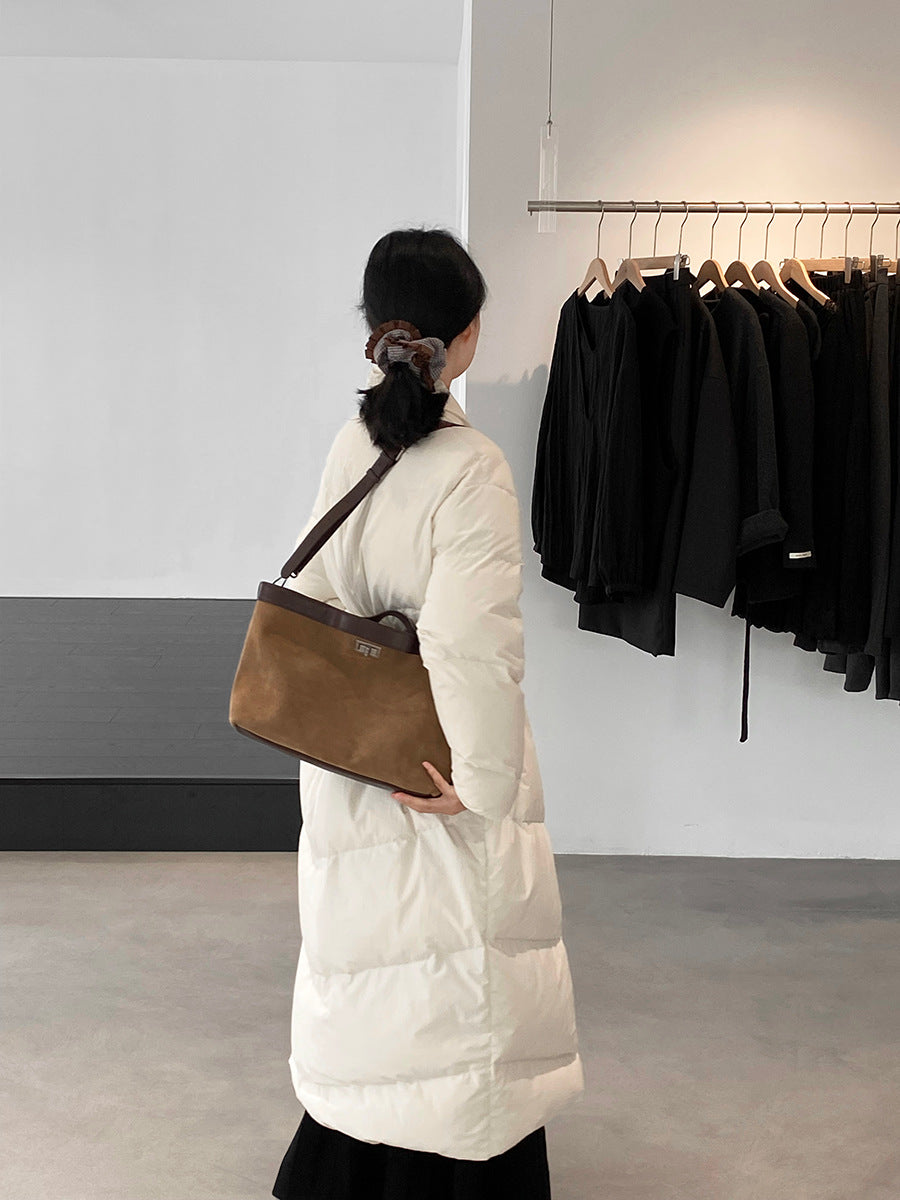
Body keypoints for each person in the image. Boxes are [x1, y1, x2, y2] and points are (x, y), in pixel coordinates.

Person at [273, 227, 584, 1199]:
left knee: (371, 972)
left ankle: (345, 1173)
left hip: (349, 747)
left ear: (374, 330)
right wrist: (483, 783)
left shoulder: (352, 443)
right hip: (437, 760)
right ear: (468, 335)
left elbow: (321, 589)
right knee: (459, 983)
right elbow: (468, 644)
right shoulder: (471, 464)